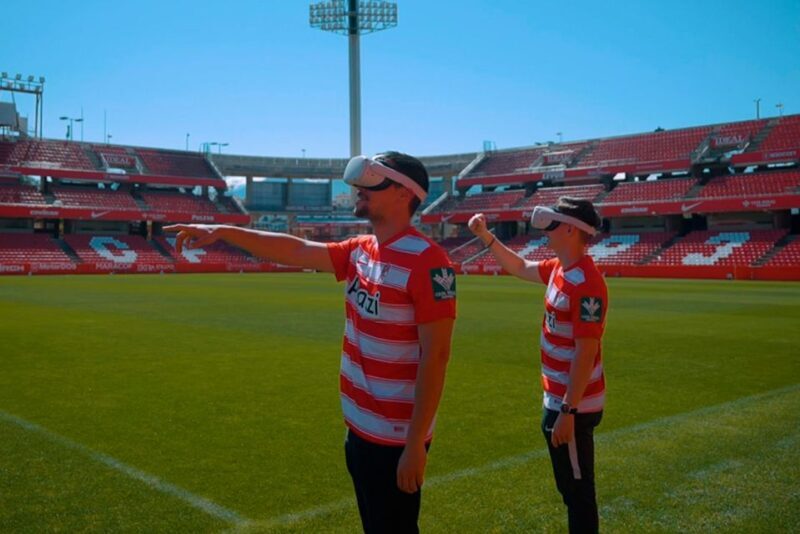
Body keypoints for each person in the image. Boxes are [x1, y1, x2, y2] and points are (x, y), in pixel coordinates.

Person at [166, 151, 456, 534]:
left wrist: (416, 443)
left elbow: (436, 356)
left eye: (371, 186)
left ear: (404, 194)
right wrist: (223, 231)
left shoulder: (428, 262)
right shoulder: (360, 250)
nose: (358, 192)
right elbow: (295, 250)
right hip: (359, 429)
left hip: (396, 440)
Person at [468, 197, 607, 534]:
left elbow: (585, 352)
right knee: (570, 489)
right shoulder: (560, 268)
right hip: (559, 402)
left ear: (572, 231)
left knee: (578, 493)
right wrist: (486, 236)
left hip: (572, 407)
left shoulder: (587, 284)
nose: (546, 234)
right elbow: (518, 267)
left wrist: (568, 412)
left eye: (553, 227)